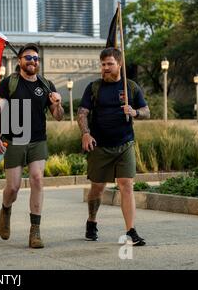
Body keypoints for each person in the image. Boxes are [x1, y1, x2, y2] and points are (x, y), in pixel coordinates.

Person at [0, 43, 64, 248]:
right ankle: (6, 209)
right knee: (13, 187)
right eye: (28, 58)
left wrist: (57, 103)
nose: (32, 61)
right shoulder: (9, 84)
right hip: (13, 140)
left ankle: (35, 232)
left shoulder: (46, 84)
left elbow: (58, 117)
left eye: (35, 58)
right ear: (19, 61)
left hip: (38, 140)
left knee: (37, 179)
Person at [77, 47, 150, 246]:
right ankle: (91, 220)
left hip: (124, 144)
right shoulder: (94, 87)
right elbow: (82, 112)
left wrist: (134, 112)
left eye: (110, 64)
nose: (106, 68)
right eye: (103, 64)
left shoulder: (131, 87)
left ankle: (130, 231)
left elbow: (146, 111)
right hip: (99, 146)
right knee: (97, 189)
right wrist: (85, 133)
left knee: (126, 184)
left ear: (119, 65)